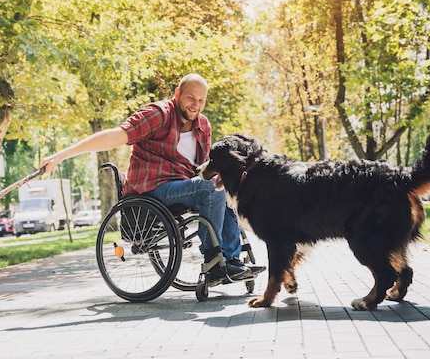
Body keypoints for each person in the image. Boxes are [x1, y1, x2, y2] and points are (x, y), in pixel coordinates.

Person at [39, 73, 263, 282]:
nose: (195, 105)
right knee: (207, 188)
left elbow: (202, 167)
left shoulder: (203, 124)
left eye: (201, 100)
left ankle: (231, 260)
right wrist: (62, 155)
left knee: (219, 187)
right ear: (177, 94)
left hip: (183, 186)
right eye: (190, 98)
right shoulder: (158, 114)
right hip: (152, 189)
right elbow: (116, 136)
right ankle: (214, 262)